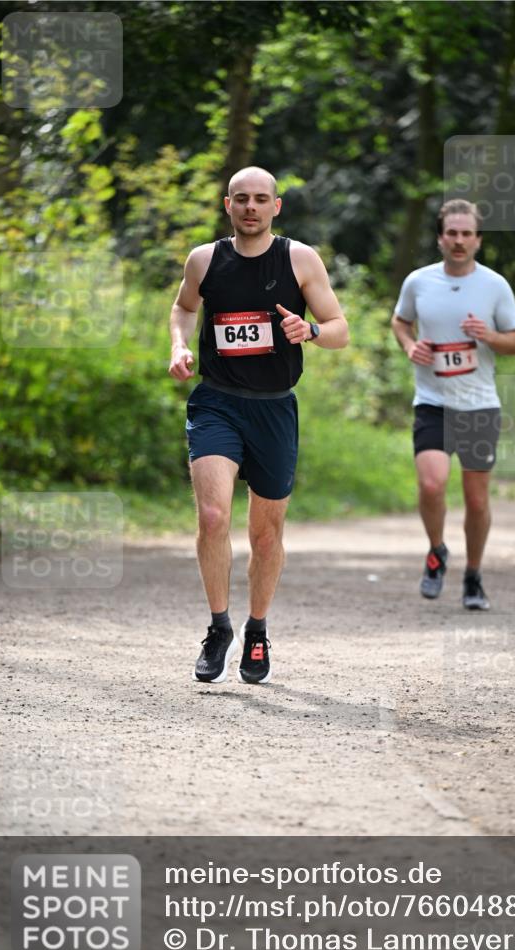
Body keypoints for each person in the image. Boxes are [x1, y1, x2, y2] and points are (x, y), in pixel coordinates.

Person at [169, 166, 349, 683]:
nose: (251, 206)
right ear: (228, 205)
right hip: (216, 402)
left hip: (274, 407)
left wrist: (310, 329)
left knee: (265, 535)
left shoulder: (299, 259)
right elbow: (183, 309)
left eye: (261, 199)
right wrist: (180, 345)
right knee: (212, 516)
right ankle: (219, 626)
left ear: (276, 207)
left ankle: (256, 629)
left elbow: (340, 329)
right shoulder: (205, 259)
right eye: (241, 198)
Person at [391, 199, 515, 610]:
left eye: (467, 233)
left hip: (479, 406)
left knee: (477, 499)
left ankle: (473, 576)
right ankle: (437, 551)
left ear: (478, 240)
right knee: (431, 484)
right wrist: (411, 346)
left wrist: (488, 336)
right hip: (432, 402)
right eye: (452, 233)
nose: (459, 240)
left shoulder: (495, 286)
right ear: (440, 237)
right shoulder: (418, 281)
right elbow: (400, 321)